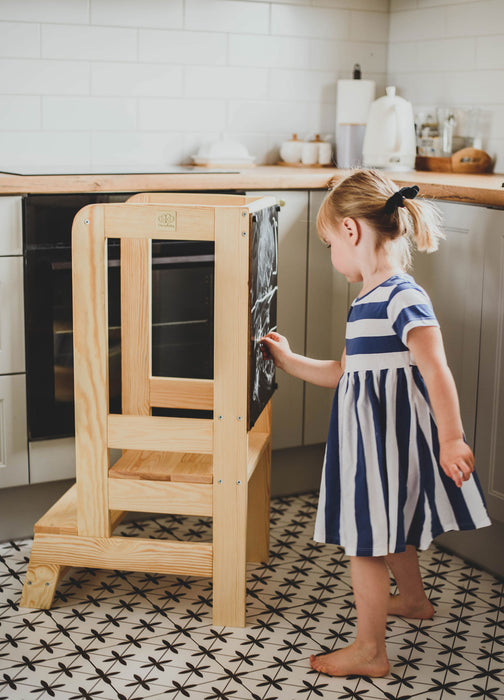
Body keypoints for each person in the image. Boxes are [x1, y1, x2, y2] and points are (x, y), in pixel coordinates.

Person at [260, 170, 491, 679]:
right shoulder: (367, 300)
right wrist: (289, 359)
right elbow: (343, 373)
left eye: (327, 244)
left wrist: (452, 438)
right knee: (388, 530)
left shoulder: (401, 296)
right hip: (372, 444)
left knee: (364, 541)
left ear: (350, 230)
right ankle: (413, 601)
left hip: (386, 445)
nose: (330, 255)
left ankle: (370, 650)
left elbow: (435, 366)